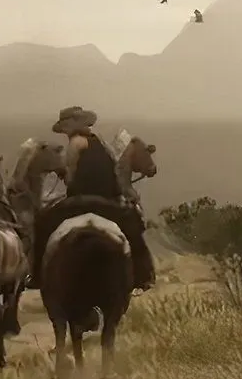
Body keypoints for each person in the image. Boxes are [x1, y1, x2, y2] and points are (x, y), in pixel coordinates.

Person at [31, 107, 155, 290]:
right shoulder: (102, 143)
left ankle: (36, 276)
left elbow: (71, 176)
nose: (65, 129)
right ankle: (143, 275)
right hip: (109, 200)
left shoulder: (75, 143)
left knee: (42, 222)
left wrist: (63, 176)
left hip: (81, 200)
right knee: (133, 227)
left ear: (73, 124)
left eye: (66, 125)